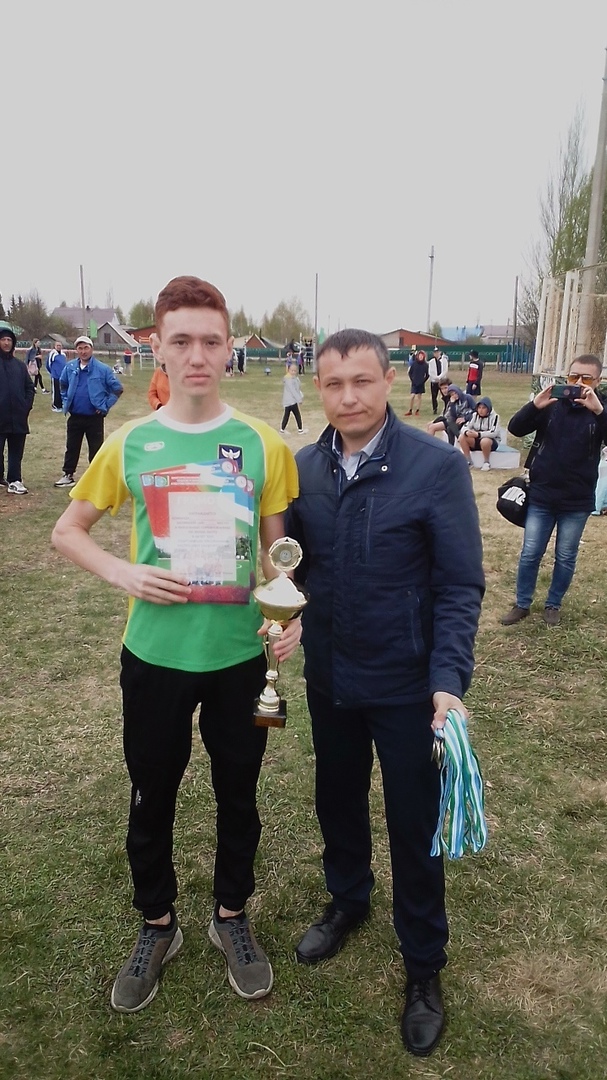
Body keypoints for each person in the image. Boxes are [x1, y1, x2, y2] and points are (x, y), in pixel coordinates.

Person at [51, 275, 300, 1015]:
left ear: (229, 351)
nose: (197, 355)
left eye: (211, 341)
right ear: (156, 347)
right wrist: (124, 572)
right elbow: (67, 532)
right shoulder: (131, 442)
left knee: (239, 794)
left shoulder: (263, 444)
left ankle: (231, 915)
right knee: (151, 793)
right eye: (181, 341)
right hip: (155, 658)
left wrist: (285, 613)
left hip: (239, 662)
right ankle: (158, 923)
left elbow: (277, 557)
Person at [285, 328, 485, 1057]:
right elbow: (292, 566)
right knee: (336, 797)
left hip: (406, 686)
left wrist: (447, 682)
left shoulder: (435, 467)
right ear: (318, 389)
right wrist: (284, 611)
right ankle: (348, 900)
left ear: (390, 380)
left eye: (361, 381)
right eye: (333, 385)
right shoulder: (304, 468)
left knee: (412, 822)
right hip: (330, 677)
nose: (348, 398)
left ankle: (423, 963)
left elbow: (458, 584)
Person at [501, 354, 607, 627]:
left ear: (597, 381)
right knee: (530, 553)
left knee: (566, 556)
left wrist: (599, 412)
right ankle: (522, 603)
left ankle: (553, 604)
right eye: (573, 376)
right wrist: (535, 405)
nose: (578, 383)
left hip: (577, 500)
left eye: (586, 379)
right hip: (542, 495)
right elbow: (515, 428)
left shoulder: (600, 409)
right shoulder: (551, 405)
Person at [54, 336, 123, 488]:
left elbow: (117, 389)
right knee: (71, 447)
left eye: (86, 348)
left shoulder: (102, 369)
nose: (83, 351)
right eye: (80, 348)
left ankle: (97, 476)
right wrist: (66, 401)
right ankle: (68, 474)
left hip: (94, 417)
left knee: (96, 448)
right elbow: (63, 384)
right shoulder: (70, 367)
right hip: (75, 415)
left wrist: (105, 405)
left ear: (92, 349)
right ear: (76, 350)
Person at [0, 325, 35, 494]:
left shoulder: (19, 366)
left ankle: (14, 480)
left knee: (16, 451)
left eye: (9, 340)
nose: (6, 343)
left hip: (18, 418)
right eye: (3, 339)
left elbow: (29, 388)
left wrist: (25, 406)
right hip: (1, 417)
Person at [458, 396, 501, 470]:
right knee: (462, 437)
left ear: (488, 409)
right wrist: (467, 432)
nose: (481, 410)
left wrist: (479, 434)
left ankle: (486, 462)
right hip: (476, 440)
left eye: (483, 408)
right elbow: (465, 427)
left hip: (490, 442)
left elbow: (494, 432)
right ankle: (468, 461)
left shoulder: (495, 417)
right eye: (479, 408)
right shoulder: (474, 415)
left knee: (485, 441)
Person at [280, 360, 308, 434]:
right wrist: (299, 399)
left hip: (290, 401)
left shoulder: (294, 378)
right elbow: (293, 391)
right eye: (292, 370)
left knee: (287, 415)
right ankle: (300, 429)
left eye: (295, 371)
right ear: (289, 370)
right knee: (296, 415)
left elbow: (297, 389)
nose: (293, 372)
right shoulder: (289, 380)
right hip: (291, 401)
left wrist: (300, 395)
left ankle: (282, 429)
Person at [405, 349, 429, 416]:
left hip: (421, 383)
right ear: (417, 356)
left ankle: (417, 410)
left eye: (422, 356)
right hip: (414, 383)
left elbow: (427, 375)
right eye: (419, 356)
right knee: (412, 396)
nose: (420, 357)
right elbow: (410, 373)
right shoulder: (414, 363)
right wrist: (412, 380)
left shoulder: (425, 365)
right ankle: (410, 410)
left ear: (423, 357)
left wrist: (423, 381)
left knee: (419, 397)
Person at [46, 342, 67, 411]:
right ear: (55, 346)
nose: (59, 347)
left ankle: (60, 405)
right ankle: (55, 405)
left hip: (62, 376)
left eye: (60, 345)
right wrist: (52, 372)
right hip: (55, 376)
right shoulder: (52, 354)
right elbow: (48, 364)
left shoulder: (63, 354)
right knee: (56, 391)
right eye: (57, 345)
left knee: (62, 390)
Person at [428, 347, 449, 415]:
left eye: (437, 352)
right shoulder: (431, 361)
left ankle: (447, 407)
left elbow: (445, 370)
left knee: (445, 395)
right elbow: (430, 371)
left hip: (442, 381)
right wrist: (435, 377)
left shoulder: (444, 360)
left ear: (440, 352)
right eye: (435, 352)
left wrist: (439, 377)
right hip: (434, 381)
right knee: (434, 396)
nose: (436, 354)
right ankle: (435, 409)